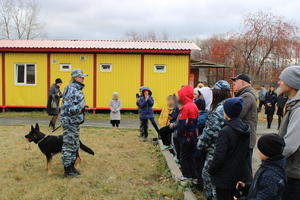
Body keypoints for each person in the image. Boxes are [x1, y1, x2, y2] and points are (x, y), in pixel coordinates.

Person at [208, 97, 250, 200]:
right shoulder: (245, 129)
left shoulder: (225, 131)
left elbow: (219, 156)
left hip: (224, 178)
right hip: (238, 175)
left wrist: (211, 170)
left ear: (226, 112)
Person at [197, 80, 231, 200]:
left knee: (208, 176)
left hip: (214, 150)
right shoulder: (229, 105)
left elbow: (210, 132)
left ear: (218, 93)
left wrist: (200, 145)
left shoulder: (218, 109)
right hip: (227, 149)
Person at [236, 134, 286, 200]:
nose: (258, 152)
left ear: (268, 152)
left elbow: (263, 197)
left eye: (260, 150)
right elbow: (262, 186)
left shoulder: (271, 175)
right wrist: (246, 187)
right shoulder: (269, 165)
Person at [277, 66, 300, 200]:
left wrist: (271, 158)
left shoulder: (299, 108)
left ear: (292, 83)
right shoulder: (293, 104)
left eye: (282, 80)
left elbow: (290, 145)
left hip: (295, 175)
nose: (279, 82)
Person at [60, 69, 88, 178]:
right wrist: (80, 107)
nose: (83, 78)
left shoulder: (76, 88)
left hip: (74, 121)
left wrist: (82, 107)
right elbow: (67, 108)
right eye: (81, 77)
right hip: (70, 122)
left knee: (74, 144)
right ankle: (67, 171)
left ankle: (71, 167)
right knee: (69, 145)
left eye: (83, 76)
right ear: (75, 77)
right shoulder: (71, 89)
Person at [231, 74, 257, 181]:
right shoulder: (244, 94)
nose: (234, 84)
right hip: (245, 137)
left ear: (242, 82)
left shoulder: (247, 96)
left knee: (245, 171)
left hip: (246, 139)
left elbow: (236, 114)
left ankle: (247, 193)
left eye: (235, 82)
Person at [175, 86, 199, 181]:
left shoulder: (185, 107)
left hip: (186, 137)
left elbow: (182, 124)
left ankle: (186, 175)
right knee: (191, 156)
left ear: (184, 96)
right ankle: (194, 176)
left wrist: (178, 132)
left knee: (183, 156)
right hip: (193, 136)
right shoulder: (194, 105)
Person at [193, 98, 208, 189]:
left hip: (200, 144)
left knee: (199, 164)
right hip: (200, 143)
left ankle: (200, 184)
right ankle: (199, 182)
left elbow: (194, 125)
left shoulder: (202, 117)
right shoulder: (204, 114)